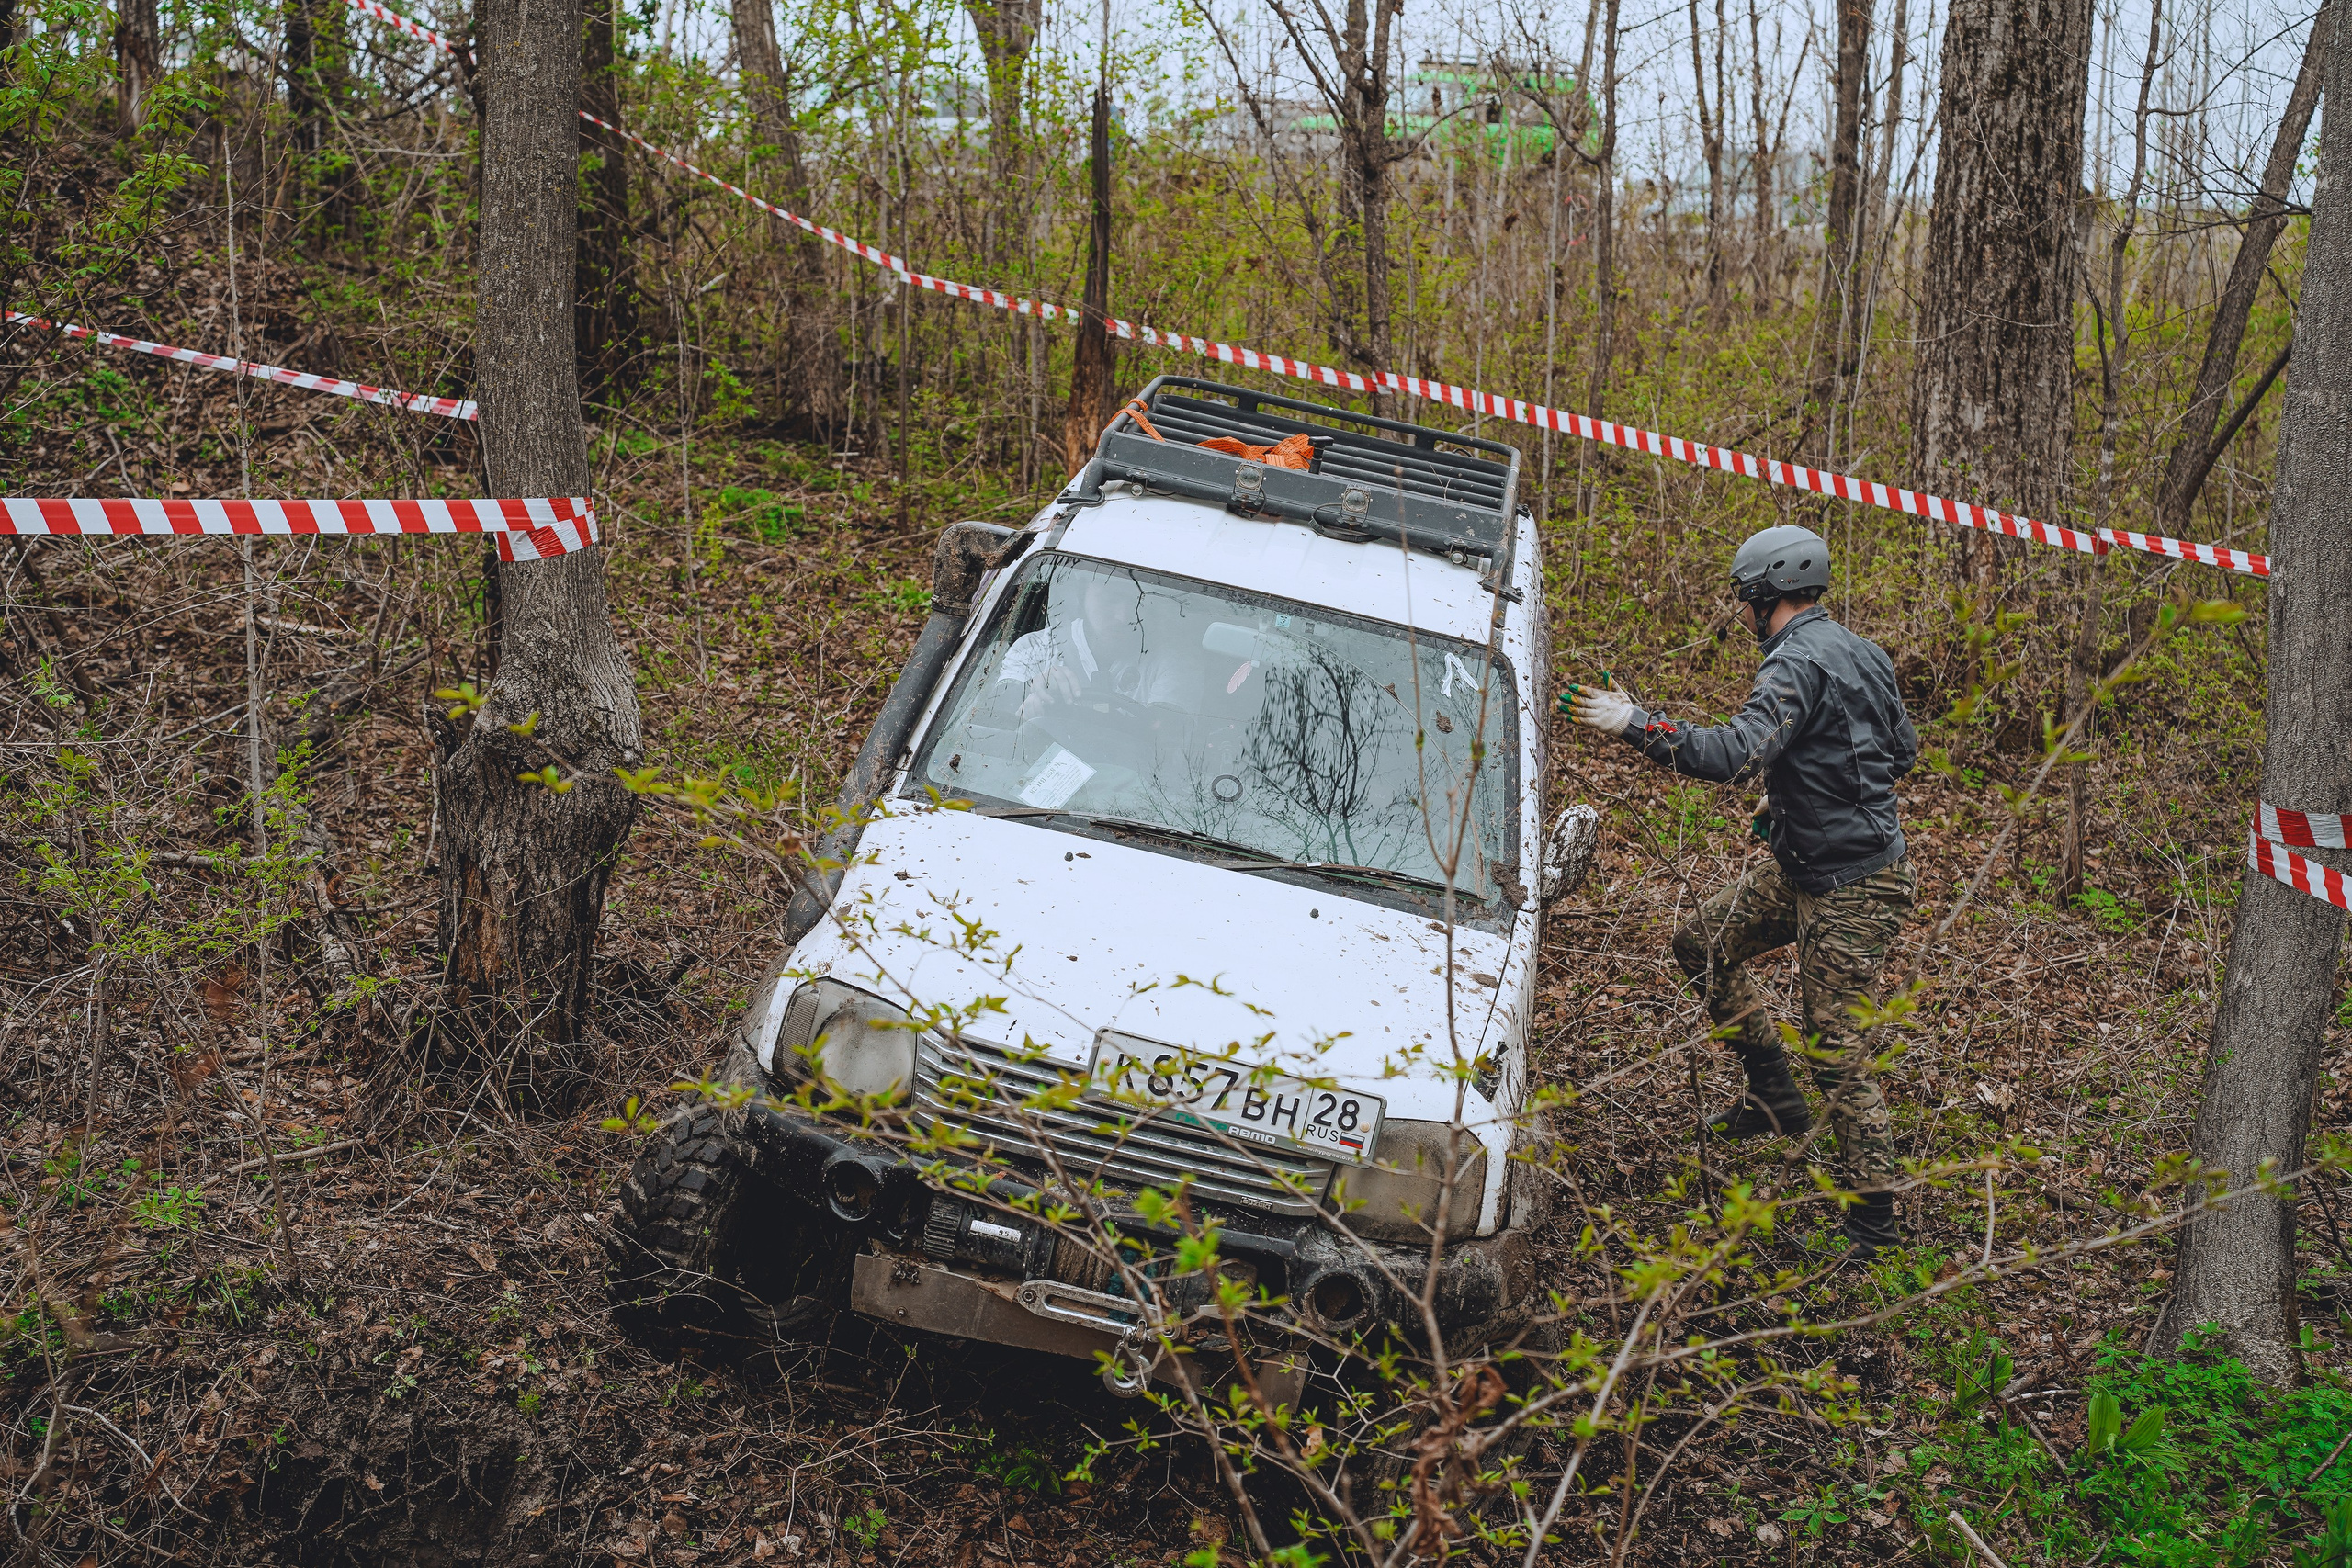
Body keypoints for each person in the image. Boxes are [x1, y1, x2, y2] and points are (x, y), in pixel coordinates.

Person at [1562, 524, 1918, 1255]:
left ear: (1764, 594)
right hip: (1808, 863)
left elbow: (1732, 753)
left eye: (1743, 598)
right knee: (1701, 941)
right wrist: (1797, 793)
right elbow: (1900, 751)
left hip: (1855, 885)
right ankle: (1773, 1097)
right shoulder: (1865, 652)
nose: (1741, 612)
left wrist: (1635, 722)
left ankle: (1875, 1222)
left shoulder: (1793, 664)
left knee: (1835, 1044)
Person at [996, 568, 1185, 719]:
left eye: (1138, 603)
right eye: (1110, 599)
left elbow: (1168, 740)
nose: (1123, 617)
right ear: (1082, 595)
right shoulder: (1034, 648)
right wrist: (1031, 694)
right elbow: (995, 714)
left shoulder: (1172, 661)